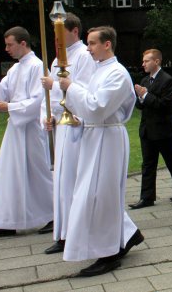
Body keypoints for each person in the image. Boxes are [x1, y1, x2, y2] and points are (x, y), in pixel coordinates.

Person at [60, 26, 143, 276]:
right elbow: (88, 108)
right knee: (91, 193)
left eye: (93, 43)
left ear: (107, 44)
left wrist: (70, 87)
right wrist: (76, 116)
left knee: (100, 195)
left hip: (108, 138)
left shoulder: (117, 73)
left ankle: (108, 253)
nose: (88, 48)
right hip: (94, 134)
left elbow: (98, 107)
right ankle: (124, 237)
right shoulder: (99, 71)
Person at [0, 27, 53, 238]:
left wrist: (10, 107)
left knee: (38, 173)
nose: (6, 48)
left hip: (31, 128)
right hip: (15, 129)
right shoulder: (15, 69)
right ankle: (6, 221)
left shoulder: (38, 66)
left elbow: (38, 100)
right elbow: (5, 94)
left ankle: (53, 215)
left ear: (23, 43)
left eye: (10, 44)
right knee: (9, 173)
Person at [40, 13, 95, 254]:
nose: (56, 39)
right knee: (61, 180)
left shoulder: (84, 56)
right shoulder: (56, 60)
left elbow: (84, 88)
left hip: (75, 125)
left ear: (74, 31)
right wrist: (49, 115)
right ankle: (62, 233)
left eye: (60, 33)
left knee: (72, 180)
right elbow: (51, 96)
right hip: (61, 127)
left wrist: (74, 111)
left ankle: (76, 231)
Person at [129, 49, 172, 210]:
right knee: (148, 164)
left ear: (157, 61)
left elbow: (165, 104)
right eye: (143, 61)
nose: (143, 64)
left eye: (146, 61)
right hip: (147, 129)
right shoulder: (144, 80)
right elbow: (140, 105)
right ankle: (147, 197)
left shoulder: (167, 80)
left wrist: (146, 95)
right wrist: (141, 96)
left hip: (164, 130)